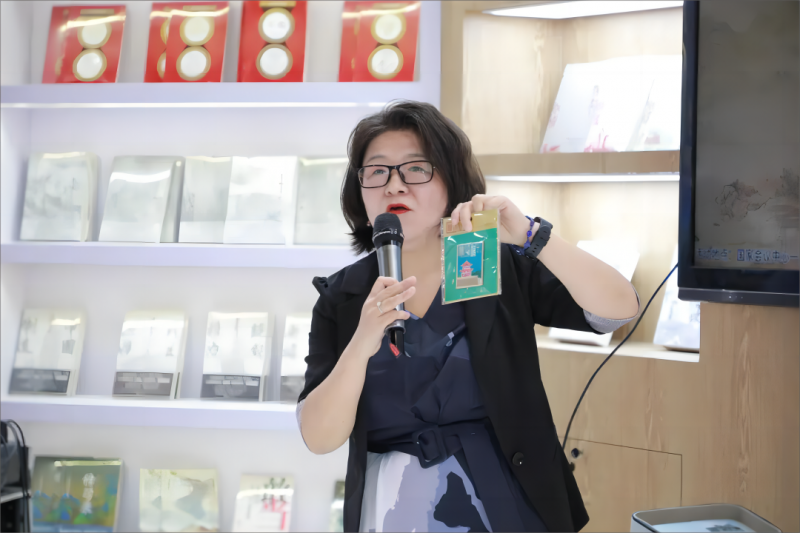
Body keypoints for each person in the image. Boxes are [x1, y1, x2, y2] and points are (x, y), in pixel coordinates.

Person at [296, 101, 640, 532]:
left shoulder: (491, 263)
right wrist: (362, 344)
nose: (394, 186)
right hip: (394, 510)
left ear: (451, 178)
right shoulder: (342, 297)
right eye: (377, 171)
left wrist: (531, 236)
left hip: (510, 503)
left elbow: (618, 310)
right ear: (359, 189)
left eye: (416, 169)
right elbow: (319, 438)